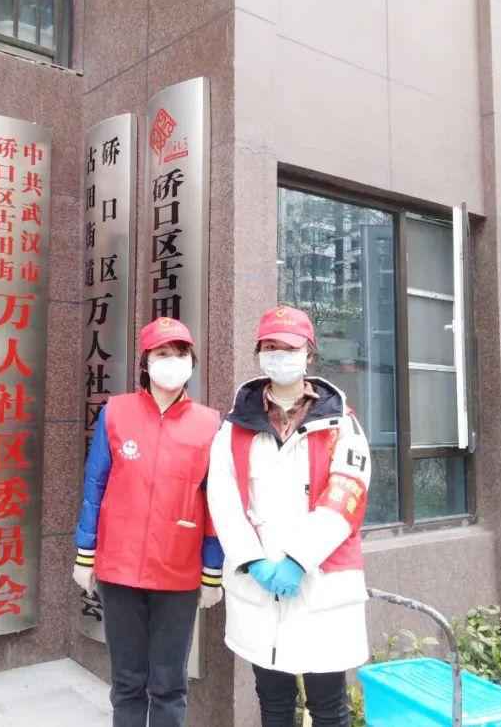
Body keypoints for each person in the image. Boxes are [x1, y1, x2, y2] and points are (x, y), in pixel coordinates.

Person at [206, 306, 372, 727]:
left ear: (309, 354)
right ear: (259, 353)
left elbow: (347, 494)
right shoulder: (234, 427)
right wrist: (253, 560)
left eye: (290, 347)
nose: (280, 355)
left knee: (328, 706)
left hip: (320, 583)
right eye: (271, 347)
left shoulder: (340, 423)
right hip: (259, 582)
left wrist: (298, 559)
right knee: (274, 702)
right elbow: (222, 497)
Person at [73, 317, 224, 727]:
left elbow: (217, 503)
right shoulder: (116, 412)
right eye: (162, 354)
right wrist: (85, 553)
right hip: (119, 570)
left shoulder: (210, 424)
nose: (172, 362)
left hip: (178, 572)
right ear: (146, 362)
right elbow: (95, 484)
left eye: (180, 354)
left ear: (191, 363)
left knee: (169, 685)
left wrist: (212, 571)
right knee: (127, 682)